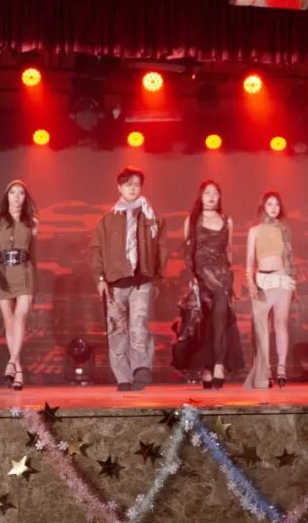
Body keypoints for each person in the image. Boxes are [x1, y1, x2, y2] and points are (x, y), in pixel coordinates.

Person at [88, 166, 167, 392]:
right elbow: (96, 250)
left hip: (142, 280)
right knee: (117, 330)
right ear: (119, 187)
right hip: (115, 282)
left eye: (136, 185)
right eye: (128, 184)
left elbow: (161, 248)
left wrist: (157, 276)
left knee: (139, 325)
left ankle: (141, 368)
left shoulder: (152, 217)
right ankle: (123, 377)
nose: (133, 189)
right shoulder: (107, 220)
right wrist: (100, 278)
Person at [180, 180, 243, 389]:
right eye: (207, 193)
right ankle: (207, 368)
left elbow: (229, 251)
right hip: (200, 279)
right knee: (204, 325)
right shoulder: (192, 220)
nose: (212, 197)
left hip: (222, 279)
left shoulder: (227, 220)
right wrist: (193, 280)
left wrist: (230, 278)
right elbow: (188, 254)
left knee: (220, 322)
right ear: (200, 196)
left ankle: (218, 365)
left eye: (216, 193)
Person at [0, 179, 38, 391]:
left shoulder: (32, 222)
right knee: (9, 321)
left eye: (21, 193)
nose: (17, 197)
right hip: (3, 273)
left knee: (21, 316)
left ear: (25, 198)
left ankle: (11, 362)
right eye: (13, 192)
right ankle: (18, 371)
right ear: (6, 196)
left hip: (25, 272)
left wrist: (35, 281)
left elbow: (34, 254)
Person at [244, 191, 296, 389]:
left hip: (282, 278)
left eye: (277, 204)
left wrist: (291, 279)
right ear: (263, 207)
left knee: (281, 323)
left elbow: (289, 257)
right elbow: (249, 261)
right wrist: (250, 283)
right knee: (261, 329)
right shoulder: (254, 231)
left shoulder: (284, 230)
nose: (274, 208)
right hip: (262, 281)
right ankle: (265, 372)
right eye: (269, 204)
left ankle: (281, 368)